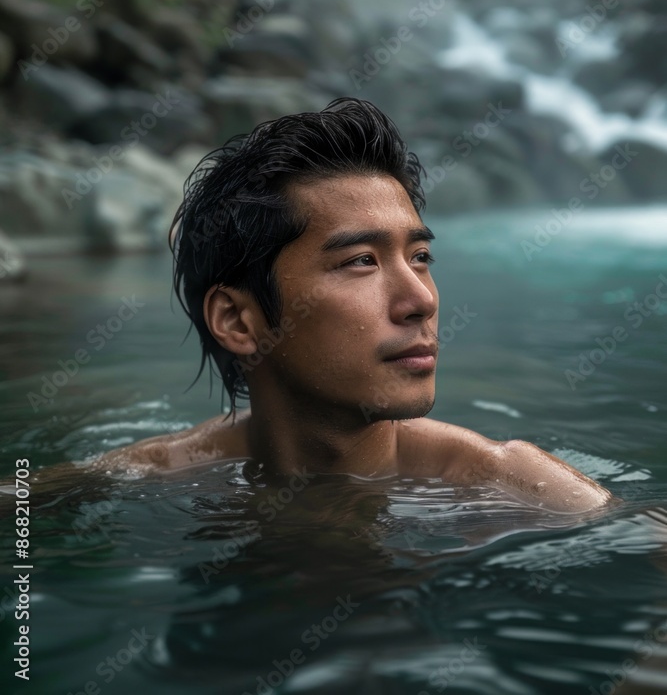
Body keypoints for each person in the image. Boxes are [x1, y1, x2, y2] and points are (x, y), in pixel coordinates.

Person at [87, 97, 612, 513]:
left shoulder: (516, 489)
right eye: (361, 261)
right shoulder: (153, 474)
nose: (421, 300)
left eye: (421, 255)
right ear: (238, 320)